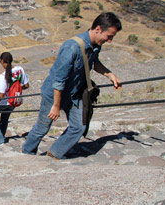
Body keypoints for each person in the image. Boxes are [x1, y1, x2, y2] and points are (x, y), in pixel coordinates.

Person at [22, 12, 122, 159]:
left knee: (79, 126)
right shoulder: (72, 47)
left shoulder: (95, 45)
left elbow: (93, 62)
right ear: (98, 29)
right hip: (54, 94)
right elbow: (59, 79)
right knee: (43, 127)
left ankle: (54, 154)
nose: (110, 40)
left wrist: (109, 74)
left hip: (75, 93)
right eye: (109, 36)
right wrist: (56, 106)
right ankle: (27, 153)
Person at [0, 52, 29, 147]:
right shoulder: (20, 70)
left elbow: (0, 95)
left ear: (2, 61)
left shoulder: (2, 76)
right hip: (13, 101)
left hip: (2, 102)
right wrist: (16, 90)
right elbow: (26, 85)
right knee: (4, 119)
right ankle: (1, 137)